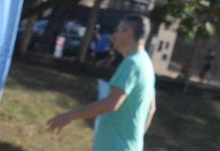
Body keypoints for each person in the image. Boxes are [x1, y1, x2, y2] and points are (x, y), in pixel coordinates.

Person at [46, 14, 156, 150]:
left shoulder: (132, 64)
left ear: (128, 34)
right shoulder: (146, 63)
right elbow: (151, 109)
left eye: (118, 30)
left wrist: (69, 116)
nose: (114, 35)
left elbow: (112, 104)